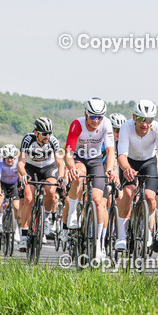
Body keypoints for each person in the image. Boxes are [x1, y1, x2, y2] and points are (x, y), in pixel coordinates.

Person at [63, 97, 118, 261]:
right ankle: (73, 211)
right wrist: (71, 167)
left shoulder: (106, 124)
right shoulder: (77, 124)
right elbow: (68, 152)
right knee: (78, 175)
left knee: (97, 200)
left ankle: (99, 245)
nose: (96, 120)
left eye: (99, 117)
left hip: (95, 161)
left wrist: (109, 168)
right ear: (85, 113)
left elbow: (110, 151)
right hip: (79, 158)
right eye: (93, 116)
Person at [115, 100, 158, 252]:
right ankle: (121, 236)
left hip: (148, 162)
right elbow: (121, 155)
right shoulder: (126, 127)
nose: (145, 124)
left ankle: (146, 229)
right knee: (129, 193)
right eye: (142, 119)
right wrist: (127, 169)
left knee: (150, 198)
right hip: (130, 161)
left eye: (149, 120)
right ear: (134, 117)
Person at [18, 117, 64, 242]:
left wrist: (60, 177)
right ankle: (23, 234)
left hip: (48, 167)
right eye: (44, 134)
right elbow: (21, 163)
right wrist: (24, 174)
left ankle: (47, 218)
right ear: (36, 133)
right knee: (28, 198)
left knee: (50, 191)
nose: (47, 137)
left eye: (49, 133)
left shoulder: (53, 141)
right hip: (31, 168)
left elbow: (60, 162)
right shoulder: (28, 140)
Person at [0, 144, 23, 247]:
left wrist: (21, 185)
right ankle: (0, 224)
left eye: (11, 158)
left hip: (14, 184)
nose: (9, 160)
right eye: (7, 158)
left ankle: (18, 232)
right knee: (0, 198)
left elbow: (20, 175)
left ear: (15, 156)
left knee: (17, 207)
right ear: (3, 157)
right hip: (3, 184)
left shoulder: (18, 162)